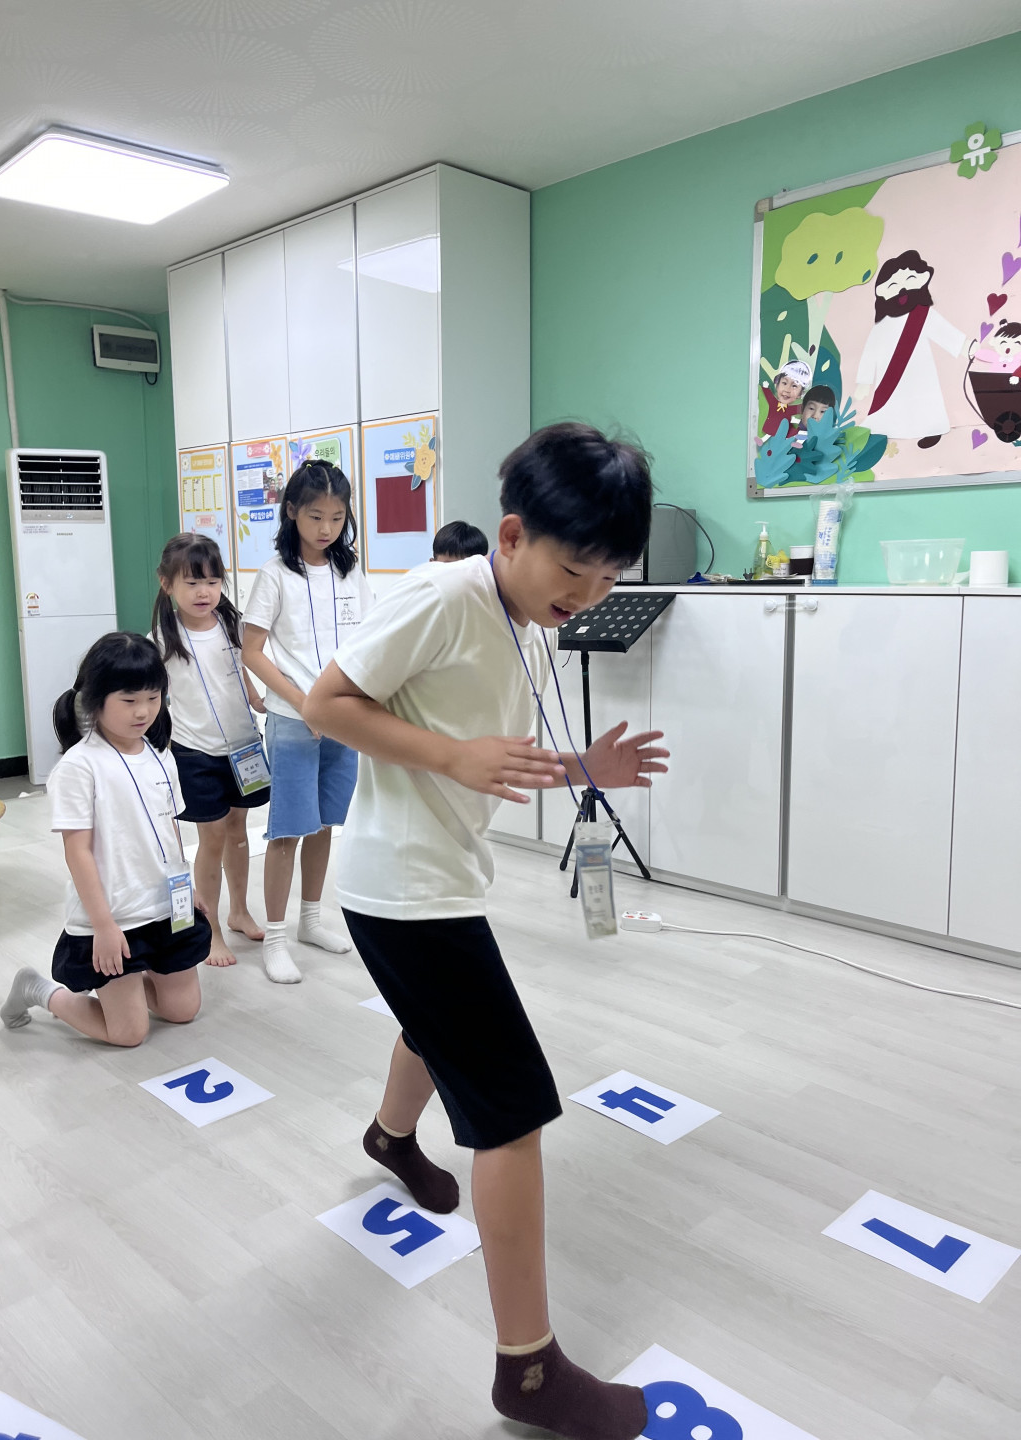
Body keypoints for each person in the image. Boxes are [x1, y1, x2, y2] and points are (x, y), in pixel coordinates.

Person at [306, 421, 669, 1440]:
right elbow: (328, 704)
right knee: (512, 1110)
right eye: (573, 569)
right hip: (401, 887)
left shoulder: (527, 620)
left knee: (436, 1028)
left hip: (438, 879)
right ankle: (530, 1370)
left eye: (609, 577)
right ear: (511, 535)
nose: (587, 594)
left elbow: (496, 756)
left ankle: (389, 1136)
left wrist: (585, 770)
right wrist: (450, 757)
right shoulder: (446, 596)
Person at [0, 633, 212, 1046]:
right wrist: (103, 925)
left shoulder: (161, 755)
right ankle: (39, 990)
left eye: (153, 698)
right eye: (129, 700)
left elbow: (169, 830)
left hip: (164, 907)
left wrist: (185, 887)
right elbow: (77, 852)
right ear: (95, 700)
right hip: (114, 914)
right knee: (129, 1033)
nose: (144, 711)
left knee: (182, 1010)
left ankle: (132, 983)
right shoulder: (79, 766)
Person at [241, 458, 375, 984]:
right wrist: (304, 704)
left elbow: (367, 640)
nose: (326, 529)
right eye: (316, 516)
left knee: (324, 824)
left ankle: (311, 920)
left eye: (337, 518)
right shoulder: (274, 575)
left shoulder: (350, 571)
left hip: (344, 718)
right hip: (294, 720)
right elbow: (252, 652)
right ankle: (275, 937)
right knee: (287, 830)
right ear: (292, 511)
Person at [151, 533, 268, 968]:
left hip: (243, 747)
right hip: (195, 753)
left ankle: (239, 911)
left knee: (239, 831)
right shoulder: (162, 639)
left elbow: (243, 672)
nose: (204, 592)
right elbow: (153, 698)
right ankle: (211, 928)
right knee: (212, 838)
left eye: (213, 582)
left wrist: (259, 700)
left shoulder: (232, 625)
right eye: (192, 582)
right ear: (167, 584)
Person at [854, 250, 964, 448]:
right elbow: (870, 352)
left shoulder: (924, 314)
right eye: (893, 285)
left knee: (925, 397)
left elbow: (945, 333)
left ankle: (931, 429)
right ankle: (884, 429)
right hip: (888, 373)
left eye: (910, 279)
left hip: (920, 370)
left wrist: (966, 347)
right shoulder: (882, 324)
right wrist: (864, 381)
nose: (902, 289)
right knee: (892, 403)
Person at [759, 359, 810, 442]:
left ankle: (798, 441)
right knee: (769, 433)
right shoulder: (774, 403)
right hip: (771, 425)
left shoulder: (790, 409)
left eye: (794, 386)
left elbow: (801, 408)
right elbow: (769, 396)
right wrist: (765, 388)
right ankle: (762, 440)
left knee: (795, 431)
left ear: (800, 393)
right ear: (777, 384)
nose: (787, 390)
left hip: (785, 430)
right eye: (784, 383)